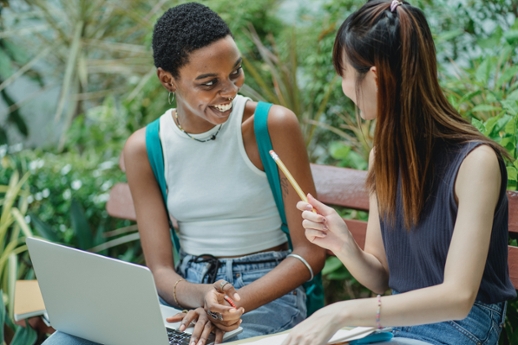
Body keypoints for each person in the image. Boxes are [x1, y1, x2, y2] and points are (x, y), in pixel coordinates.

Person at [42, 2, 326, 345]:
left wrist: (229, 304)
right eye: (209, 83)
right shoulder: (146, 148)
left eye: (235, 72)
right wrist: (200, 295)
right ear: (167, 79)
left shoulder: (271, 126)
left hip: (264, 291)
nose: (231, 90)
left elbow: (310, 252)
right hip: (187, 292)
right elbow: (160, 269)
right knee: (66, 341)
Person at [282, 1, 517, 345]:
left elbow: (458, 297)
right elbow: (382, 278)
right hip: (395, 328)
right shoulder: (383, 156)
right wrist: (343, 243)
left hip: (458, 330)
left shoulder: (475, 162)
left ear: (375, 77)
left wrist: (341, 311)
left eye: (344, 72)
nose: (344, 86)